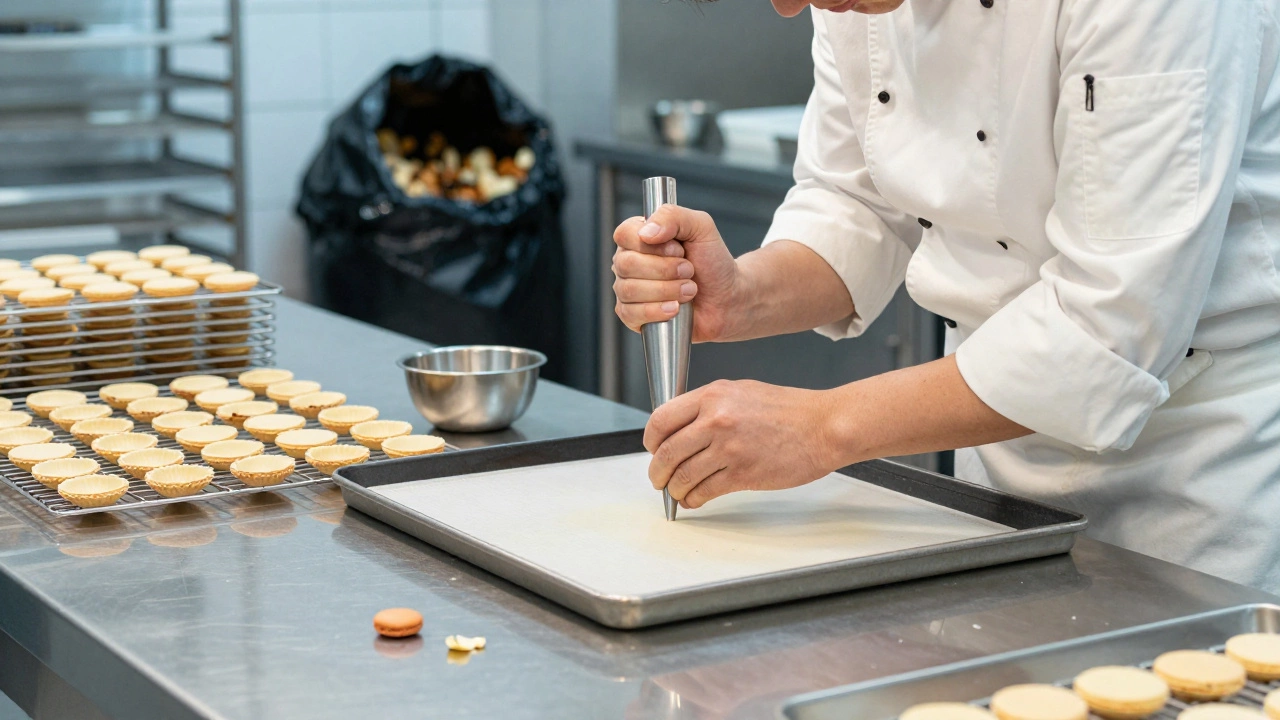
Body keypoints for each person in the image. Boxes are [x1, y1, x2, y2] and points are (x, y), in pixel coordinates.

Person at [611, 0, 1280, 592]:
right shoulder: (849, 5)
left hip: (1196, 468)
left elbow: (1107, 330)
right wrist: (742, 293)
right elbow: (858, 204)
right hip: (995, 449)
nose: (791, 9)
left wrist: (821, 427)